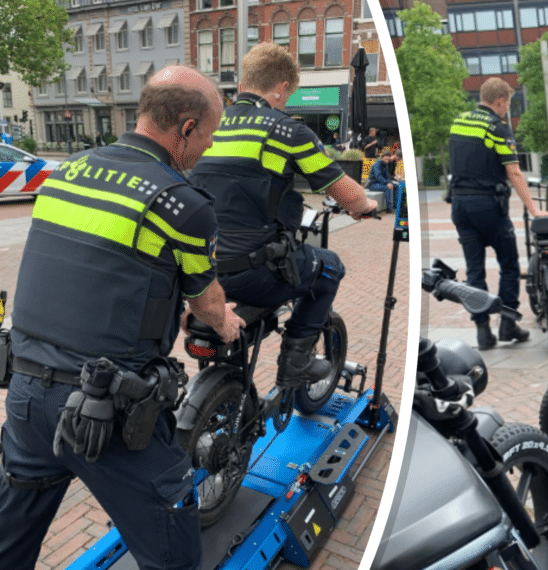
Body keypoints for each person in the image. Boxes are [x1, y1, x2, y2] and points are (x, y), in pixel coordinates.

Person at [0, 66, 245, 570]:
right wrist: (226, 324)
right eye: (211, 136)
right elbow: (207, 302)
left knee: (10, 546)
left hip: (25, 396)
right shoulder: (183, 204)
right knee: (174, 554)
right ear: (187, 129)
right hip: (108, 413)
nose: (209, 149)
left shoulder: (64, 174)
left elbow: (95, 267)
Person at [190, 43, 377, 390]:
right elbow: (347, 193)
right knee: (330, 267)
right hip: (255, 271)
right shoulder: (288, 131)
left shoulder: (209, 128)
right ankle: (296, 360)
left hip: (201, 271)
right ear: (281, 87)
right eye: (288, 93)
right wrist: (364, 206)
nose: (287, 100)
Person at [449, 77, 548, 350]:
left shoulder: (459, 122)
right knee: (508, 264)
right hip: (488, 207)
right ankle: (507, 324)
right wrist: (533, 209)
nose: (507, 110)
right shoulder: (497, 128)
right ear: (500, 101)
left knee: (474, 270)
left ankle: (483, 331)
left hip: (459, 206)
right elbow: (514, 171)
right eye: (507, 104)